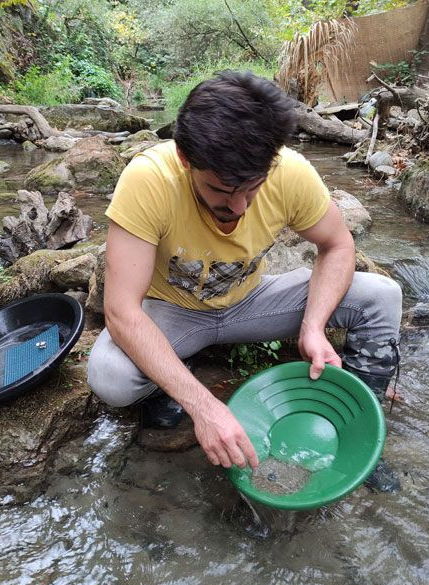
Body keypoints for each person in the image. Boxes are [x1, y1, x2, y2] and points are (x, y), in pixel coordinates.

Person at [87, 71, 402, 472]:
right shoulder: (149, 178)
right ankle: (168, 384)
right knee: (109, 376)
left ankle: (361, 417)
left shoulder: (290, 171)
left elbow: (337, 244)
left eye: (251, 188)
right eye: (220, 190)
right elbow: (120, 311)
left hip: (252, 302)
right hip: (172, 312)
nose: (238, 208)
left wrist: (313, 325)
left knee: (381, 295)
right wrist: (203, 406)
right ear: (186, 159)